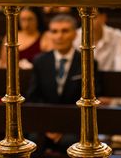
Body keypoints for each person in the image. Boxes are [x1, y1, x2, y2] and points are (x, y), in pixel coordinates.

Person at [28, 14, 98, 155]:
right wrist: (49, 127)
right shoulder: (40, 61)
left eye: (65, 31)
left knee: (71, 143)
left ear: (74, 34)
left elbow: (92, 100)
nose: (59, 36)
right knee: (33, 142)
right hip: (44, 126)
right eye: (54, 31)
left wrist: (63, 128)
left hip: (75, 126)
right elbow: (33, 97)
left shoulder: (87, 61)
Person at [74, 8, 121, 72]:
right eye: (85, 18)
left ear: (103, 18)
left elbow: (120, 67)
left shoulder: (118, 36)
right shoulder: (75, 36)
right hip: (83, 78)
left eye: (93, 17)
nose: (88, 22)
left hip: (110, 78)